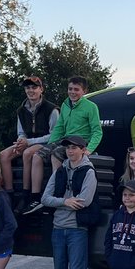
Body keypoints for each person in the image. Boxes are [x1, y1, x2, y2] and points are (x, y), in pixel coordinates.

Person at [36, 134, 99, 269]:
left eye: (74, 147)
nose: (70, 151)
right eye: (68, 148)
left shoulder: (89, 172)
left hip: (77, 229)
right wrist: (64, 201)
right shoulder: (61, 170)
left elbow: (84, 201)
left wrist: (64, 202)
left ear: (83, 149)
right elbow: (45, 198)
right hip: (58, 228)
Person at [25, 76, 102, 214]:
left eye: (76, 90)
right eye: (70, 89)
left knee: (57, 154)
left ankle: (57, 193)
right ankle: (35, 197)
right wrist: (49, 144)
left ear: (84, 91)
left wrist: (89, 149)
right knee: (37, 155)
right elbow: (59, 127)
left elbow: (97, 131)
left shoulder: (91, 107)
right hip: (64, 140)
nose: (72, 92)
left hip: (79, 141)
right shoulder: (65, 105)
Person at [0, 75, 60, 206]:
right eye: (27, 88)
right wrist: (21, 141)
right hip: (28, 142)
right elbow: (21, 132)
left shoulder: (52, 109)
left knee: (28, 153)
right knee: (4, 155)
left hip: (46, 142)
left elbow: (55, 135)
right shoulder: (21, 110)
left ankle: (28, 194)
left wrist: (29, 142)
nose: (30, 90)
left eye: (34, 87)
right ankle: (9, 194)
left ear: (41, 89)